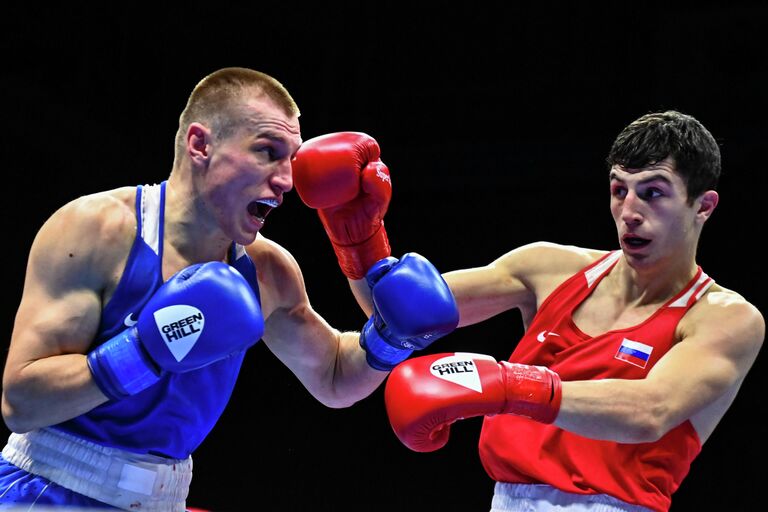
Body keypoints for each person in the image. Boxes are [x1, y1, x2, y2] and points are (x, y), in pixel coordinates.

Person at [0, 67, 459, 510]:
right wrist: (144, 352)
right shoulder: (96, 231)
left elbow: (336, 377)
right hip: (49, 487)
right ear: (200, 144)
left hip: (162, 497)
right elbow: (21, 402)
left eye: (291, 161)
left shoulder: (268, 270)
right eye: (267, 151)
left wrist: (390, 338)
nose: (285, 183)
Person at [364, 111, 763, 512]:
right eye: (619, 190)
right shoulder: (548, 269)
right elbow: (403, 312)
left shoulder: (724, 318)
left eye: (653, 193)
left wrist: (511, 386)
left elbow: (650, 411)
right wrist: (359, 233)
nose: (630, 211)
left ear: (703, 206)